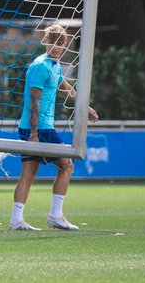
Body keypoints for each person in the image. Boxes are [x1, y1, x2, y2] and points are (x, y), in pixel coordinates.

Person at [9, 24, 99, 231]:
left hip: (38, 128)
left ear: (65, 45)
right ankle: (55, 216)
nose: (56, 47)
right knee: (66, 165)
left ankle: (16, 220)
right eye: (53, 42)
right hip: (39, 129)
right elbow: (34, 101)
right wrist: (33, 134)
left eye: (60, 43)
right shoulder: (41, 65)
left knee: (29, 174)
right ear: (45, 42)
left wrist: (86, 108)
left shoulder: (54, 66)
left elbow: (67, 88)